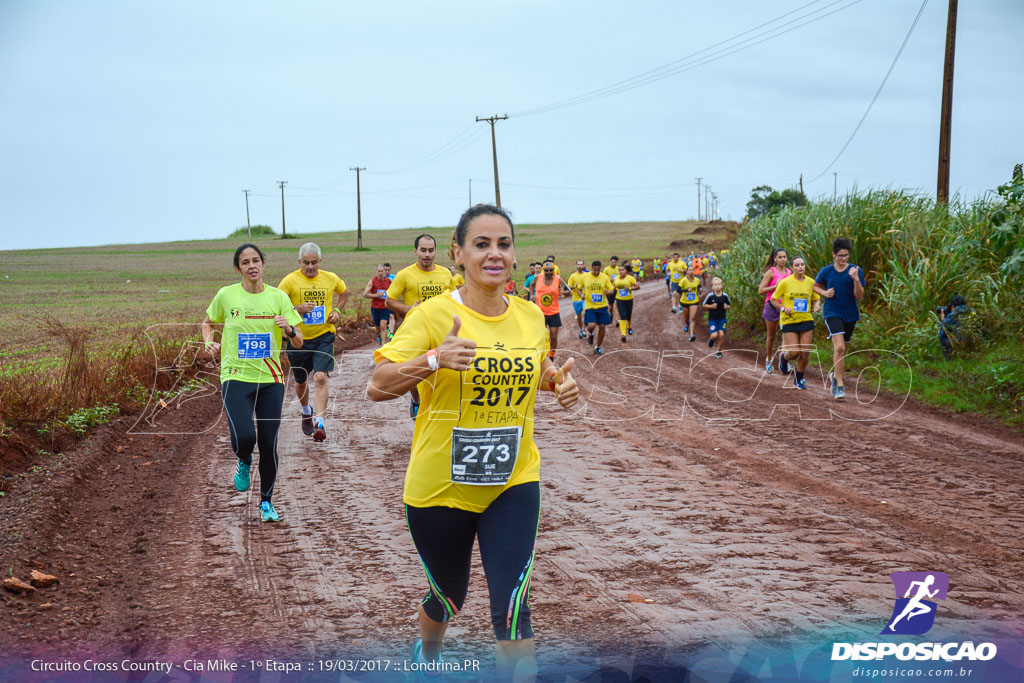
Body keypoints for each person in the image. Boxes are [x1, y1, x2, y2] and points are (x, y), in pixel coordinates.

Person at [368, 204, 579, 681]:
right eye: (481, 244)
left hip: (513, 481)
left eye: (503, 244)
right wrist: (434, 359)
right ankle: (427, 658)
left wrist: (556, 384)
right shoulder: (432, 315)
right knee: (448, 594)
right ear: (457, 254)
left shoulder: (528, 318)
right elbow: (377, 386)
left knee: (513, 607)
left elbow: (538, 368)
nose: (494, 254)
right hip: (440, 488)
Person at [202, 244, 303, 523]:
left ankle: (267, 503)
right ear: (238, 269)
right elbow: (207, 323)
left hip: (270, 378)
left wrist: (289, 329)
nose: (251, 266)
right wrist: (209, 342)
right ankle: (244, 460)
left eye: (256, 260)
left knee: (269, 443)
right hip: (235, 376)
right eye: (245, 262)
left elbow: (299, 340)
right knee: (245, 437)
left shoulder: (279, 297)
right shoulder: (227, 295)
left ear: (263, 264)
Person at [277, 243, 348, 442]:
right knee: (300, 382)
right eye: (306, 263)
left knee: (320, 378)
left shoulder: (330, 278)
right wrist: (297, 308)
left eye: (314, 263)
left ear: (320, 262)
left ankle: (321, 424)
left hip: (323, 336)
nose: (310, 267)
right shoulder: (289, 281)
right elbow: (274, 304)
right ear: (299, 262)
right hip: (297, 339)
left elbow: (344, 292)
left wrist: (337, 311)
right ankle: (306, 410)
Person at [386, 235, 454, 418]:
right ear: (415, 251)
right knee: (415, 371)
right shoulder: (404, 275)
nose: (427, 254)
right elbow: (389, 301)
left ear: (435, 252)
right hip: (416, 331)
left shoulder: (445, 274)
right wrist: (409, 309)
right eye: (423, 250)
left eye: (431, 250)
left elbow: (456, 299)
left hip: (441, 331)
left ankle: (441, 407)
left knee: (443, 371)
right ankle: (416, 399)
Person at [815, 237, 866, 401]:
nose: (843, 259)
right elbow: (815, 286)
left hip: (850, 314)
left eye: (846, 255)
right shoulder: (826, 271)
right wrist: (824, 293)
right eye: (840, 256)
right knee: (839, 348)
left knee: (844, 349)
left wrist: (856, 279)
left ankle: (834, 375)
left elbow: (859, 296)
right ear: (834, 255)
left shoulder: (856, 270)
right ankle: (840, 384)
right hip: (832, 312)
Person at [771, 257, 822, 390]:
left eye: (802, 264)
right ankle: (784, 358)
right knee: (794, 353)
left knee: (805, 352)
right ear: (792, 268)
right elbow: (773, 299)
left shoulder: (811, 282)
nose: (800, 267)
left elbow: (817, 298)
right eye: (797, 265)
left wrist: (817, 305)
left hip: (806, 319)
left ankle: (799, 379)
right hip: (789, 320)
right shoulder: (785, 282)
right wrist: (783, 308)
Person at [757, 248, 792, 374]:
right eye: (780, 257)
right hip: (771, 307)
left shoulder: (789, 272)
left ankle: (784, 362)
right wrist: (775, 286)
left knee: (786, 335)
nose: (783, 259)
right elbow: (760, 290)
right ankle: (769, 360)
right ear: (775, 259)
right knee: (771, 336)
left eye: (784, 257)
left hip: (785, 308)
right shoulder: (771, 272)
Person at [531, 260, 571, 359]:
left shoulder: (558, 279)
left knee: (553, 336)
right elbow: (531, 285)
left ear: (553, 270)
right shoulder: (537, 277)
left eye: (551, 270)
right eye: (546, 270)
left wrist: (563, 292)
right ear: (543, 270)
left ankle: (552, 355)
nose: (549, 272)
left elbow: (568, 290)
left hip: (554, 312)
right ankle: (542, 356)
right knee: (542, 336)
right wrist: (532, 295)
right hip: (540, 312)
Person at [577, 260, 615, 355]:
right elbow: (579, 288)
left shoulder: (604, 277)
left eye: (598, 270)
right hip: (590, 306)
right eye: (595, 270)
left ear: (600, 269)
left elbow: (611, 290)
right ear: (591, 268)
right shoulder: (585, 277)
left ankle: (597, 347)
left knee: (602, 326)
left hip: (602, 306)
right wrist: (581, 295)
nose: (596, 272)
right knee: (591, 325)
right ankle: (591, 334)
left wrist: (608, 292)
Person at [364, 264, 393, 346]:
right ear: (376, 272)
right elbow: (365, 294)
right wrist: (376, 295)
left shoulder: (389, 281)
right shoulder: (372, 281)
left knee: (383, 325)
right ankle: (378, 335)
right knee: (378, 328)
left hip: (385, 307)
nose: (380, 273)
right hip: (375, 308)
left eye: (382, 271)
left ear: (384, 271)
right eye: (379, 271)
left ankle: (384, 345)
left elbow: (394, 292)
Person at [702, 277, 731, 358]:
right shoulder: (710, 296)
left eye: (719, 284)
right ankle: (711, 339)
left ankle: (719, 351)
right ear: (713, 287)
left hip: (722, 318)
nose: (717, 286)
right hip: (712, 319)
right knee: (714, 335)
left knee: (722, 334)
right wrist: (711, 306)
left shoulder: (725, 296)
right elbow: (703, 304)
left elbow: (729, 305)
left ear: (722, 286)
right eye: (715, 285)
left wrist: (727, 307)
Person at [612, 264, 640, 342]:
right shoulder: (616, 278)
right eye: (620, 270)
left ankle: (629, 327)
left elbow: (638, 287)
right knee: (623, 316)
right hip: (619, 299)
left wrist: (630, 288)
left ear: (626, 271)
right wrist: (608, 291)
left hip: (629, 299)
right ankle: (623, 334)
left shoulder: (630, 278)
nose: (621, 271)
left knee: (628, 316)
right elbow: (614, 287)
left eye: (622, 270)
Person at [937, 295, 970, 360]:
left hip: (960, 344)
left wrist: (943, 320)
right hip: (973, 343)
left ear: (952, 307)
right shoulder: (971, 311)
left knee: (944, 337)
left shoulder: (953, 315)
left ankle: (950, 358)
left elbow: (941, 334)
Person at [679, 264, 702, 342]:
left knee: (692, 317)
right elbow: (678, 290)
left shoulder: (697, 280)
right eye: (689, 270)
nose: (691, 271)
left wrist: (700, 290)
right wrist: (686, 290)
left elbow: (699, 287)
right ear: (687, 271)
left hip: (694, 301)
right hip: (684, 301)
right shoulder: (683, 280)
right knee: (686, 318)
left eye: (692, 270)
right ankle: (686, 324)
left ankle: (691, 334)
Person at [566, 259, 588, 339]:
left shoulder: (587, 275)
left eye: (581, 264)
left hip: (585, 298)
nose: (580, 266)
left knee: (586, 312)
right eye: (578, 264)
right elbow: (569, 287)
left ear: (584, 265)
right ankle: (581, 329)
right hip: (576, 299)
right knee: (579, 316)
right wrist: (575, 286)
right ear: (576, 266)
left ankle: (585, 329)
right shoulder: (573, 276)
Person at [602, 256, 620, 325]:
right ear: (610, 262)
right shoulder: (606, 269)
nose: (614, 263)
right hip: (609, 290)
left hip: (616, 289)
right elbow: (603, 279)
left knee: (616, 303)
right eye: (613, 262)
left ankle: (617, 319)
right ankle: (611, 315)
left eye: (615, 262)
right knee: (611, 306)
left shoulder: (618, 269)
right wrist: (610, 280)